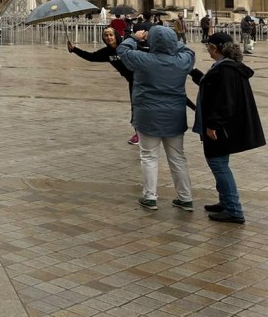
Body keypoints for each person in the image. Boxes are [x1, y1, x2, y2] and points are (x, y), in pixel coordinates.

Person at [190, 32, 266, 223]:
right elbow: (212, 86)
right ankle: (225, 202)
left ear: (215, 48)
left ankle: (233, 209)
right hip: (224, 125)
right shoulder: (226, 67)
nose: (207, 49)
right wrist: (194, 73)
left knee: (218, 164)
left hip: (221, 127)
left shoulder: (226, 70)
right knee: (219, 162)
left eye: (208, 46)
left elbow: (225, 101)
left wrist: (213, 125)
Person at [117, 26, 195, 212]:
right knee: (177, 157)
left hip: (148, 116)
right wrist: (172, 42)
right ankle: (185, 198)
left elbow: (122, 50)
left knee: (149, 157)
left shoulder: (143, 60)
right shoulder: (182, 61)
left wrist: (134, 37)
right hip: (174, 116)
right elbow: (189, 51)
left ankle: (150, 197)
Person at [68, 27, 138, 144]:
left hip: (144, 79)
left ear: (116, 35)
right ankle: (138, 133)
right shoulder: (107, 52)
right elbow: (91, 57)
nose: (109, 37)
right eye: (106, 35)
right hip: (133, 82)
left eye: (111, 35)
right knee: (135, 107)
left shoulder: (127, 46)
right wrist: (74, 49)